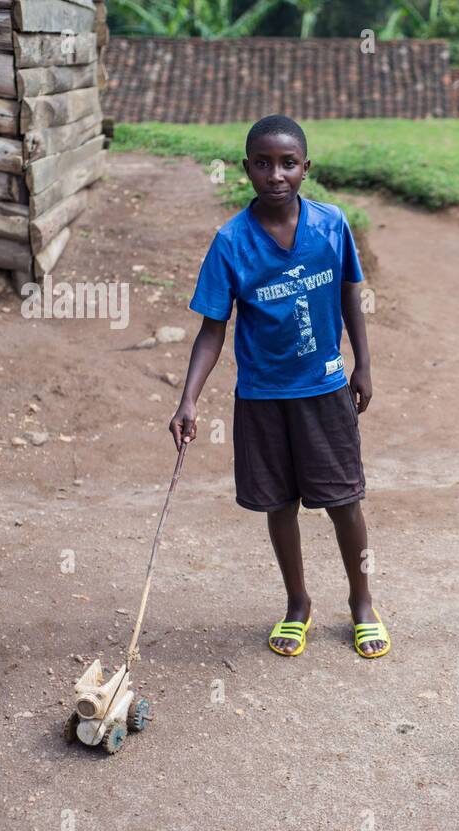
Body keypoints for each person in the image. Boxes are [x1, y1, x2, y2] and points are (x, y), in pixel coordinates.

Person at [169, 114, 389, 660]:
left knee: (344, 501)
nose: (275, 174)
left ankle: (362, 603)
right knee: (279, 504)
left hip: (325, 389)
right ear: (246, 169)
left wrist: (362, 363)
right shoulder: (231, 242)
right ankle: (297, 605)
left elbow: (349, 294)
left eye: (288, 163)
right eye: (263, 164)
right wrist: (188, 398)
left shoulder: (331, 225)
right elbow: (212, 328)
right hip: (264, 399)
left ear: (305, 168)